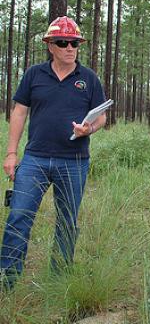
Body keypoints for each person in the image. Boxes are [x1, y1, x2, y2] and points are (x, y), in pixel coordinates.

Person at [0, 16, 106, 290]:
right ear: (50, 45)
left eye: (74, 43)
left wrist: (89, 129)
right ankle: (7, 280)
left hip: (74, 162)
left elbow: (102, 117)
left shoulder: (89, 79)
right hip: (34, 158)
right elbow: (20, 111)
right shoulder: (34, 75)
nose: (70, 48)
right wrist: (11, 153)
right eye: (63, 42)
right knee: (19, 215)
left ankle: (59, 280)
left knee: (67, 220)